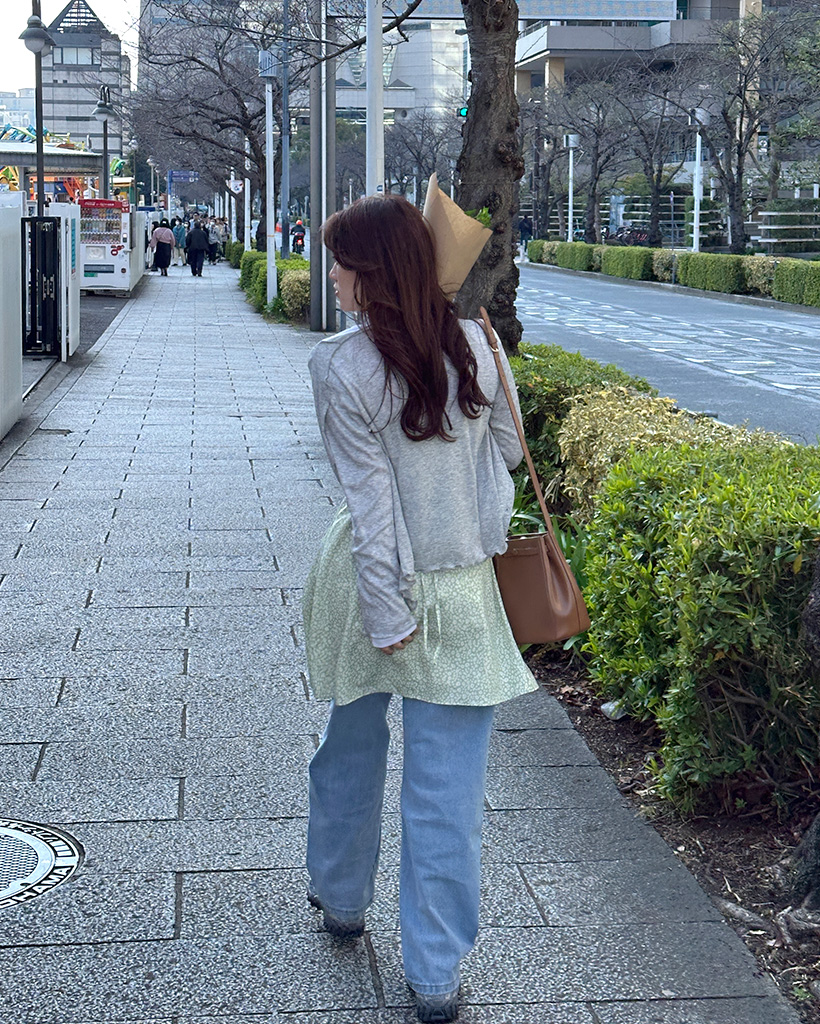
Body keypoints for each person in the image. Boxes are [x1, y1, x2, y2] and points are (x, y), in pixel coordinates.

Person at [303, 194, 537, 1023]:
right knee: (448, 789)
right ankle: (435, 976)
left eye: (341, 263)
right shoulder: (478, 344)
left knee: (350, 744)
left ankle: (340, 898)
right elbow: (511, 453)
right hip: (463, 588)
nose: (332, 276)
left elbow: (371, 506)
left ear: (373, 273)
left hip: (372, 583)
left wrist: (387, 614)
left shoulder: (342, 365)